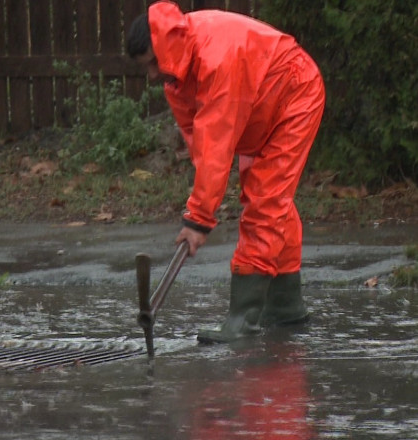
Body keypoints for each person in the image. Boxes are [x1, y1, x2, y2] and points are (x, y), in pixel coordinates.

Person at [127, 1, 325, 343]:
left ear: (164, 47)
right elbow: (202, 146)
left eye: (153, 64)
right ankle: (286, 309)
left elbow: (216, 141)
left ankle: (242, 321)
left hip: (293, 93)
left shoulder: (216, 59)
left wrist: (199, 218)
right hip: (258, 108)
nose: (153, 75)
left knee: (266, 202)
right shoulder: (177, 80)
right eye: (146, 68)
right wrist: (205, 201)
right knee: (271, 201)